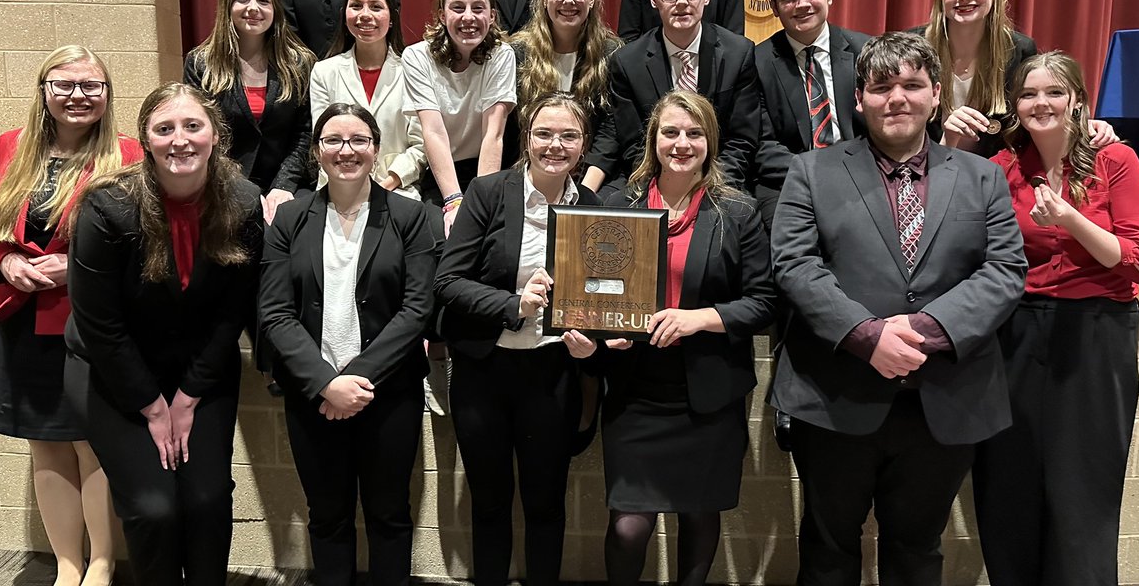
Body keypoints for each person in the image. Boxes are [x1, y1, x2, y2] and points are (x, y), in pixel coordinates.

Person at [769, 32, 1027, 585]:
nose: (898, 99)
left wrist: (922, 332)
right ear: (859, 99)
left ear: (937, 96)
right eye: (882, 87)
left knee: (916, 550)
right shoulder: (811, 171)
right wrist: (866, 335)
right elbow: (794, 265)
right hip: (835, 396)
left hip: (944, 399)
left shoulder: (982, 177)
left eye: (912, 85)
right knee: (827, 549)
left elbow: (1004, 271)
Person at [64, 83, 264, 586]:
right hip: (114, 373)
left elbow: (231, 313)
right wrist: (154, 406)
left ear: (216, 135)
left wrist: (189, 396)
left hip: (201, 369)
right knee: (154, 508)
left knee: (206, 500)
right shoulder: (106, 207)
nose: (181, 140)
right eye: (165, 128)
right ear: (146, 140)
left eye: (193, 126)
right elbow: (100, 325)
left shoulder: (243, 202)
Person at [572, 90, 773, 586]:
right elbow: (595, 287)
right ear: (653, 140)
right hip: (636, 390)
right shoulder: (619, 203)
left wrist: (698, 318)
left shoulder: (738, 213)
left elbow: (764, 301)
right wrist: (598, 334)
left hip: (708, 393)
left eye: (694, 133)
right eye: (670, 132)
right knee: (627, 527)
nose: (681, 143)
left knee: (700, 515)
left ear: (710, 141)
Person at [973, 52, 1139, 586]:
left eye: (1054, 92)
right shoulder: (1001, 168)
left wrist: (1070, 218)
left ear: (1076, 98)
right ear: (1016, 106)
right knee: (1009, 483)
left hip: (1095, 333)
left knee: (1083, 492)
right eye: (1029, 94)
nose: (1041, 103)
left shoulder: (1115, 160)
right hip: (1016, 330)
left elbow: (1137, 260)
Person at [0, 46, 141, 586]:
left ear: (106, 93)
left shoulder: (127, 154)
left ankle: (101, 563)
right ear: (44, 90)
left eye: (91, 86)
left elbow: (140, 239)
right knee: (44, 442)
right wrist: (4, 259)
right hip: (21, 316)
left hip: (86, 322)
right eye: (64, 85)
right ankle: (67, 566)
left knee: (91, 443)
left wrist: (76, 267)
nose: (78, 96)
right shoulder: (13, 146)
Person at [260, 102, 436, 586]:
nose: (346, 150)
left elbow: (417, 310)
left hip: (388, 394)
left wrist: (354, 379)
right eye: (334, 141)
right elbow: (275, 312)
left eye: (359, 140)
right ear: (317, 151)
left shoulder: (410, 216)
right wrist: (325, 384)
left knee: (389, 515)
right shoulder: (290, 218)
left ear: (376, 149)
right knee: (328, 515)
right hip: (311, 397)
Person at [434, 93, 601, 586]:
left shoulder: (592, 207)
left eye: (569, 135)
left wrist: (591, 341)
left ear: (584, 145)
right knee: (489, 503)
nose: (555, 145)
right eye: (544, 133)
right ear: (525, 139)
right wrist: (514, 305)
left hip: (551, 374)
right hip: (484, 371)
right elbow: (447, 282)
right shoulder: (487, 193)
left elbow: (601, 294)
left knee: (546, 502)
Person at [588, 0, 760, 192]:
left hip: (720, 181)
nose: (682, 2)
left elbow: (742, 140)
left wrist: (710, 188)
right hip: (654, 181)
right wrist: (664, 188)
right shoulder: (628, 62)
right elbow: (633, 144)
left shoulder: (738, 54)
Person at [916, 0, 1116, 157]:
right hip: (923, 164)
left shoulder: (1019, 48)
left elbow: (1036, 107)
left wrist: (1083, 124)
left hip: (993, 168)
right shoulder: (914, 45)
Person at [184, 0, 315, 225]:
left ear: (275, 8)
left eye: (263, 1)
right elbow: (197, 131)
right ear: (227, 6)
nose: (253, 8)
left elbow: (305, 132)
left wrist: (284, 186)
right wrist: (240, 190)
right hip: (222, 183)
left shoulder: (301, 62)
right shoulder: (200, 63)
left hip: (288, 183)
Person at [752, 0, 872, 220]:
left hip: (862, 176)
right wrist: (817, 173)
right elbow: (761, 145)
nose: (802, 5)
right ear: (774, 6)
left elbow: (880, 128)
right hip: (789, 181)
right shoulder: (757, 62)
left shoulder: (865, 51)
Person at [402, 0, 516, 236]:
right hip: (443, 171)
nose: (468, 17)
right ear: (442, 16)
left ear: (492, 16)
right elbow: (433, 132)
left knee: (490, 237)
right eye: (457, 8)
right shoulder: (417, 57)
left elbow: (493, 134)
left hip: (487, 170)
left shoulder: (502, 55)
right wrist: (454, 201)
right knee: (440, 239)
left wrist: (480, 204)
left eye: (478, 8)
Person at [310, 0, 425, 198]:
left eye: (375, 7)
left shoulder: (413, 71)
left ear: (391, 18)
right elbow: (324, 141)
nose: (365, 15)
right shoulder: (324, 72)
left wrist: (388, 182)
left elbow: (421, 145)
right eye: (356, 6)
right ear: (345, 16)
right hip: (337, 190)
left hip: (397, 190)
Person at [508, 0, 621, 174]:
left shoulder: (612, 53)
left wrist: (586, 190)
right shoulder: (517, 52)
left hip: (591, 178)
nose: (568, 0)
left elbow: (610, 134)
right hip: (527, 175)